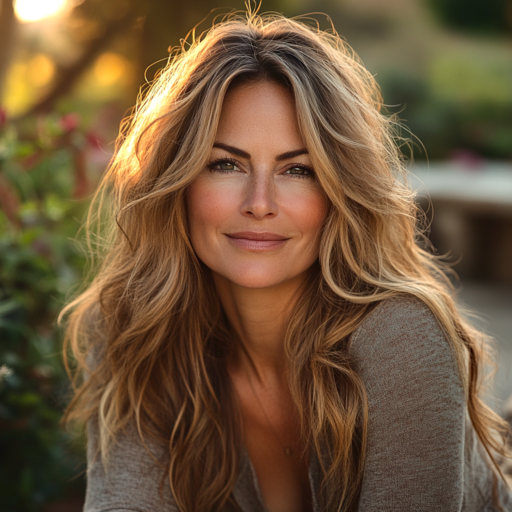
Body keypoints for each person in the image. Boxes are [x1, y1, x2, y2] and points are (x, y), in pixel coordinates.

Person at [59, 9, 512, 512]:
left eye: (297, 169)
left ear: (340, 192)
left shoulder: (403, 338)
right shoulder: (135, 330)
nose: (259, 201)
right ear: (178, 182)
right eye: (225, 163)